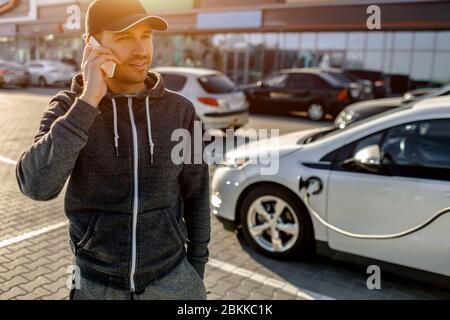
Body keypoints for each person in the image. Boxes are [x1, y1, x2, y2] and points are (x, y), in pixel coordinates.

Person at [16, 0, 211, 300]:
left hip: (172, 279)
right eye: (124, 37)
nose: (141, 50)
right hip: (94, 285)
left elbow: (197, 192)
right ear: (91, 45)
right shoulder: (68, 107)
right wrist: (89, 100)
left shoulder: (180, 111)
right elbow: (36, 186)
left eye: (146, 35)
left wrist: (196, 266)